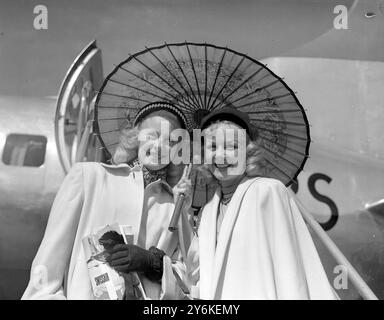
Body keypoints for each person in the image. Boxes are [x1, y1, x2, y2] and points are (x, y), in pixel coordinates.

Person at [22, 102, 193, 300]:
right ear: (135, 137)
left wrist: (152, 263)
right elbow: (47, 267)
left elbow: (189, 280)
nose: (160, 147)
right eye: (152, 135)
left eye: (171, 142)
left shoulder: (175, 206)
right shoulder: (88, 177)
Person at [176, 107, 338, 300]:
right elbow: (194, 274)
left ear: (249, 152)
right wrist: (183, 213)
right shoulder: (207, 211)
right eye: (212, 147)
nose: (220, 156)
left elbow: (290, 270)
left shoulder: (268, 191)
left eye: (232, 147)